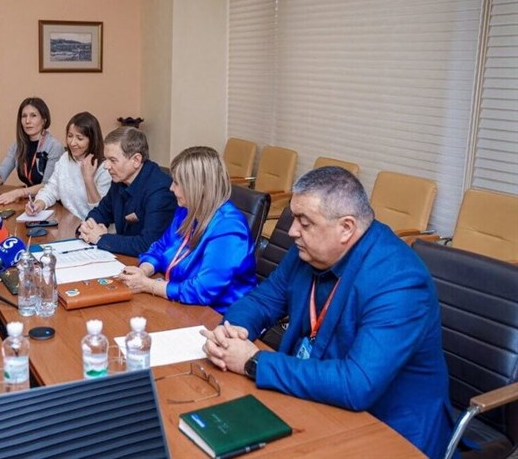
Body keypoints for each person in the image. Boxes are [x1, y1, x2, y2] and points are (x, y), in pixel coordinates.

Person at [201, 166, 454, 459]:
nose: (292, 231)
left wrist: (252, 361)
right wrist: (232, 330)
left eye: (304, 223)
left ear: (346, 228)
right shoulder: (308, 251)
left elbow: (358, 383)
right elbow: (262, 300)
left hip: (389, 427)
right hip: (314, 395)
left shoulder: (399, 281)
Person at [119, 146, 256, 313]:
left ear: (198, 187)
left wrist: (149, 285)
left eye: (177, 183)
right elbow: (160, 247)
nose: (171, 188)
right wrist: (142, 272)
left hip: (219, 316)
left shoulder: (229, 228)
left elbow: (203, 291)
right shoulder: (186, 210)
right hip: (179, 303)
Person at [78, 127, 176, 257]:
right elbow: (101, 211)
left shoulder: (160, 191)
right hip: (125, 259)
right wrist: (89, 226)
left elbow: (149, 244)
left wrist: (101, 238)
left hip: (151, 267)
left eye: (113, 160)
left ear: (136, 160)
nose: (106, 166)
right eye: (106, 159)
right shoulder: (119, 179)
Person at [0, 97, 64, 205]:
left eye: (33, 116)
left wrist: (18, 193)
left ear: (44, 120)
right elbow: (1, 172)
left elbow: (47, 186)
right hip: (29, 202)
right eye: (24, 116)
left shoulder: (54, 146)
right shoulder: (18, 145)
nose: (27, 121)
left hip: (51, 204)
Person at [25, 112, 111, 220]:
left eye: (79, 138)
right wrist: (38, 204)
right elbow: (51, 189)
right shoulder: (65, 159)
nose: (72, 143)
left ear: (92, 140)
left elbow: (102, 212)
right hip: (70, 225)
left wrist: (88, 179)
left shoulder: (105, 167)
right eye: (70, 136)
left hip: (94, 229)